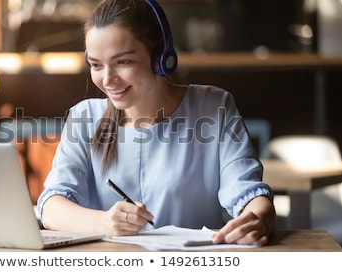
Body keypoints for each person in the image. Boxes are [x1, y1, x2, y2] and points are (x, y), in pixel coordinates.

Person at [37, 0, 276, 246]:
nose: (107, 79)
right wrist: (104, 222)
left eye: (123, 62)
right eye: (96, 65)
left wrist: (258, 219)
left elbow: (247, 192)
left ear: (160, 57)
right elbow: (51, 206)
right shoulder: (85, 117)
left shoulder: (214, 106)